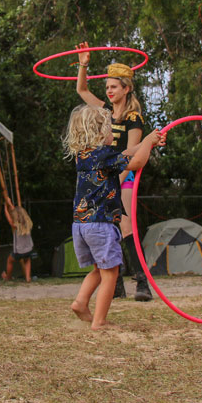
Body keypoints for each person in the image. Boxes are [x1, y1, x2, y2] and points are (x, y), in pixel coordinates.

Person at [64, 105, 164, 330]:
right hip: (101, 224)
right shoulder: (104, 155)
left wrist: (147, 141)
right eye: (110, 130)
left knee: (99, 269)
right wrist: (148, 143)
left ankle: (81, 302)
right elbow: (136, 163)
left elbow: (126, 154)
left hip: (81, 225)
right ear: (100, 132)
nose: (113, 135)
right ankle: (99, 322)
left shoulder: (85, 155)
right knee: (111, 272)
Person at [75, 41, 152, 301]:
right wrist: (84, 64)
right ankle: (116, 285)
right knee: (111, 227)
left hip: (122, 174)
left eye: (113, 87)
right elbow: (82, 89)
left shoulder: (133, 118)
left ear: (126, 88)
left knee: (126, 226)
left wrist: (113, 182)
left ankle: (142, 283)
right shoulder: (105, 112)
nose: (108, 91)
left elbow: (131, 153)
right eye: (107, 87)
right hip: (106, 175)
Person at [1, 198, 34, 282]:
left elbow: (9, 218)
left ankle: (8, 277)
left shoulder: (16, 226)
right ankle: (28, 278)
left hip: (19, 251)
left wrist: (5, 207)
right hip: (28, 249)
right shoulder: (28, 223)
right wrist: (10, 203)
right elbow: (15, 212)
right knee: (27, 260)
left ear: (16, 217)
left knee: (10, 260)